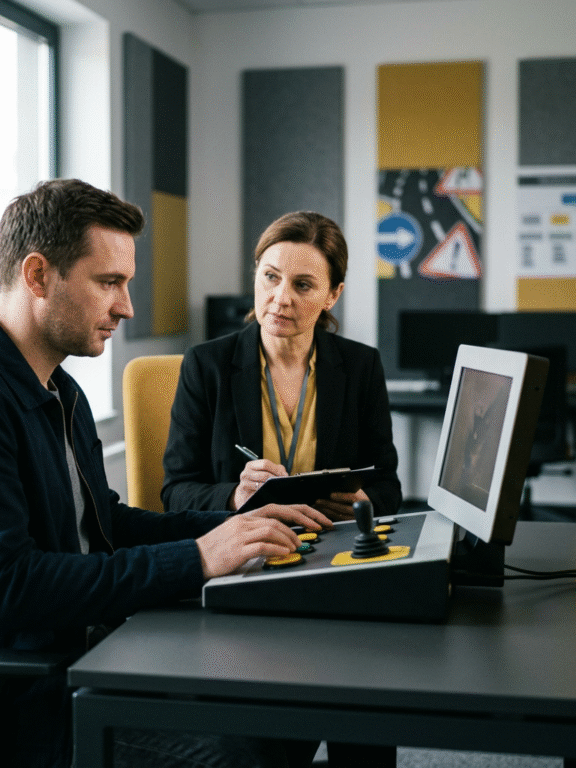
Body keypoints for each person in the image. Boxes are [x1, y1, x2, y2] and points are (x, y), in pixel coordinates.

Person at [0, 179, 332, 768]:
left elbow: (104, 524)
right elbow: (7, 589)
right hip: (9, 705)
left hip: (87, 657)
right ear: (39, 276)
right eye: (109, 283)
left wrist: (235, 522)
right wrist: (198, 558)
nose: (127, 306)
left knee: (293, 707)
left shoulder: (56, 387)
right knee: (249, 746)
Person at [161, 211, 402, 768]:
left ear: (333, 295)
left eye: (303, 284)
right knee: (267, 742)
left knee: (366, 706)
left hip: (336, 564)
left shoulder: (360, 367)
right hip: (245, 571)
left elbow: (388, 484)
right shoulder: (208, 365)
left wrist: (368, 502)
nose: (281, 298)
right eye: (270, 277)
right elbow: (175, 492)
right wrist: (231, 497)